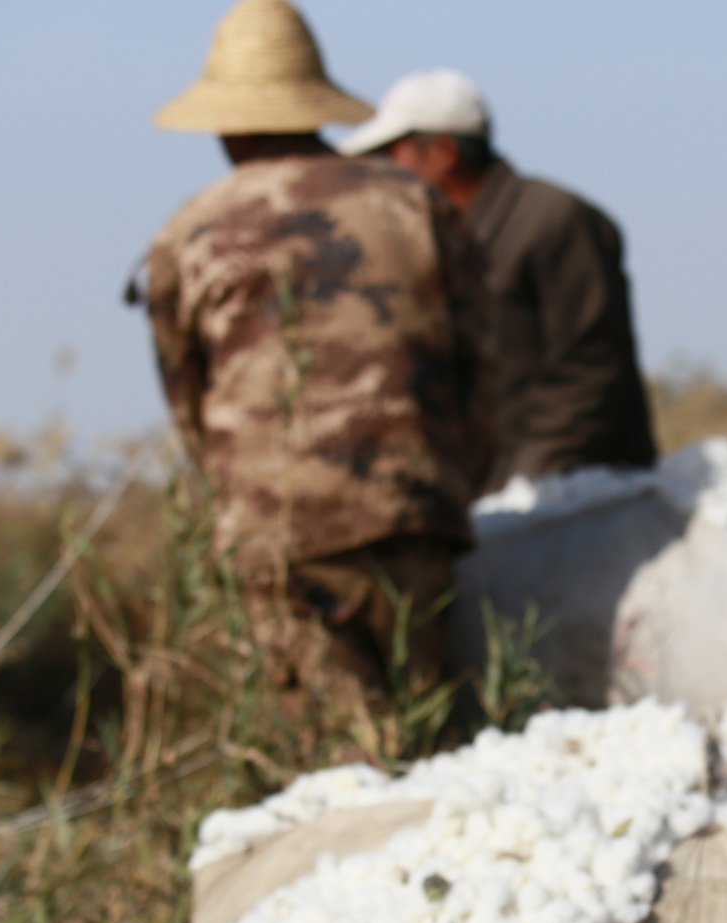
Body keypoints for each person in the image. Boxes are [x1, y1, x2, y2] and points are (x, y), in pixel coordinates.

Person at [145, 1, 492, 755]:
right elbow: (480, 366)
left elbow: (191, 408)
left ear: (226, 123)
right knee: (439, 754)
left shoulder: (191, 230)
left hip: (285, 538)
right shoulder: (416, 203)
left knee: (343, 772)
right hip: (417, 517)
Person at [338, 69, 656, 487]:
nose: (381, 173)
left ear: (443, 152)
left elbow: (585, 379)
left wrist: (520, 493)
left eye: (389, 155)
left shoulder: (553, 221)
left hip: (578, 504)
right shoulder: (444, 240)